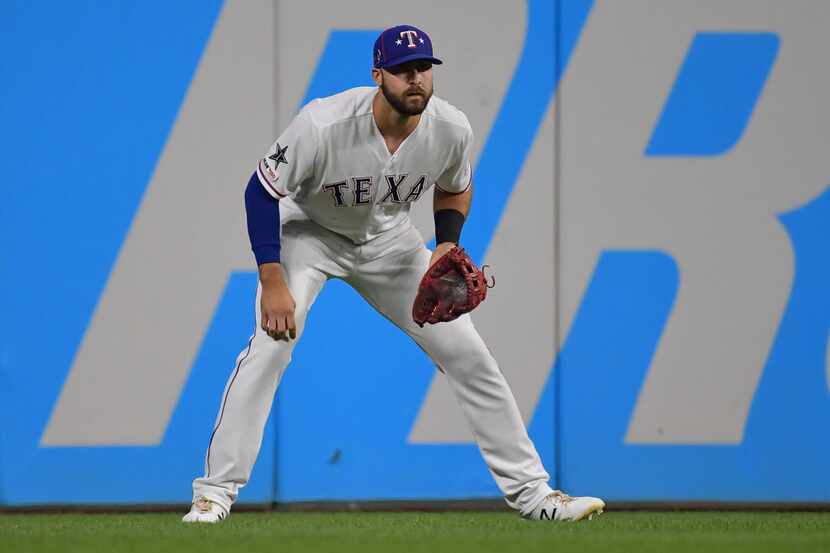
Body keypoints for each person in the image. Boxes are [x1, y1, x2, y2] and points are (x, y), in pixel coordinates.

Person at [183, 24, 604, 524]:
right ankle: (214, 494)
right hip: (310, 236)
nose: (416, 80)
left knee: (469, 353)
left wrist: (445, 245)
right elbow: (261, 193)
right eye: (403, 70)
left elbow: (455, 186)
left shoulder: (450, 127)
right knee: (271, 347)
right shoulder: (323, 123)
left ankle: (535, 495)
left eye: (423, 68)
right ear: (377, 74)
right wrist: (273, 280)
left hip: (388, 241)